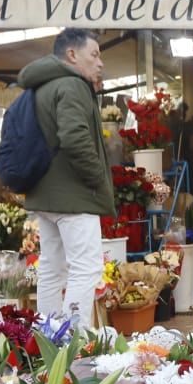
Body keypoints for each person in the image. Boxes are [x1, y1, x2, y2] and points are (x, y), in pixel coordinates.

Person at [18, 28, 115, 329]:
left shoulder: (40, 87)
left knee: (50, 268)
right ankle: (74, 339)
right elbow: (74, 137)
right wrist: (98, 179)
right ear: (72, 54)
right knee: (85, 268)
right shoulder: (72, 86)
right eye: (94, 55)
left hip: (46, 195)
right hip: (74, 196)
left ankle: (48, 337)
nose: (100, 63)